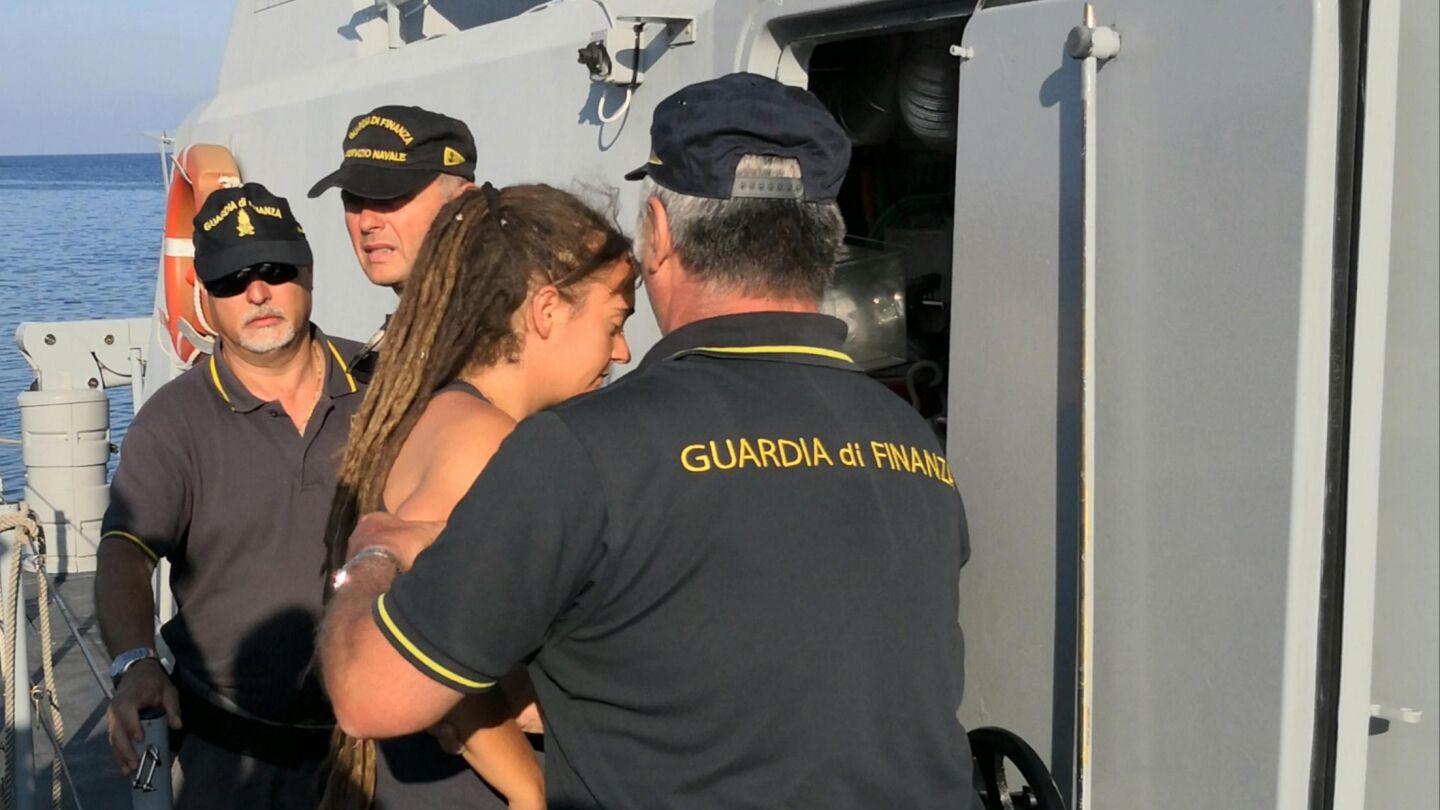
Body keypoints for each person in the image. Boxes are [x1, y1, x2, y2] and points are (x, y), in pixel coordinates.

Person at [318, 72, 980, 808]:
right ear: (824, 243)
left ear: (659, 234)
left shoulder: (585, 450)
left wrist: (372, 557)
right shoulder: (913, 441)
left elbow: (369, 697)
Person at [322, 182, 633, 808]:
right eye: (614, 324)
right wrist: (528, 789)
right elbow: (428, 653)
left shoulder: (450, 414)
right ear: (547, 311)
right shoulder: (486, 446)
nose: (622, 352)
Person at [96, 182, 365, 809]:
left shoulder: (387, 384)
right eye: (231, 279)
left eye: (274, 269)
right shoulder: (172, 422)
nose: (257, 292)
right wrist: (135, 662)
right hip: (232, 763)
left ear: (308, 272)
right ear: (205, 300)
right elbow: (124, 552)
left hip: (389, 752)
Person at [308, 104, 477, 382]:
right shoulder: (398, 343)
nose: (366, 222)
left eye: (389, 198)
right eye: (352, 201)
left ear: (462, 202)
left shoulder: (510, 328)